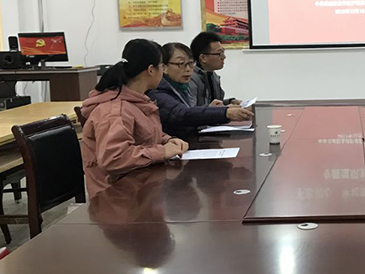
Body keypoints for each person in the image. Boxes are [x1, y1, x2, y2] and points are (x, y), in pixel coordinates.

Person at [80, 39, 189, 199]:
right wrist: (162, 151)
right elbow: (113, 158)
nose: (163, 71)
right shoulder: (115, 111)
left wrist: (167, 140)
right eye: (162, 66)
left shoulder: (138, 101)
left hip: (141, 188)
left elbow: (144, 134)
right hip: (116, 198)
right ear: (151, 70)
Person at [148, 42, 253, 138]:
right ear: (164, 67)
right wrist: (225, 113)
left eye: (191, 63)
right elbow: (183, 114)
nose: (188, 69)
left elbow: (192, 111)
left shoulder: (181, 86)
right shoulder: (157, 91)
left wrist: (211, 109)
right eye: (181, 64)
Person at [189, 32, 241, 107]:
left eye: (223, 52)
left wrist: (230, 102)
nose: (223, 57)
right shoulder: (190, 78)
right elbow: (190, 110)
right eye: (219, 53)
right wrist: (216, 109)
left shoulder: (213, 76)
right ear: (203, 58)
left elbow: (215, 102)